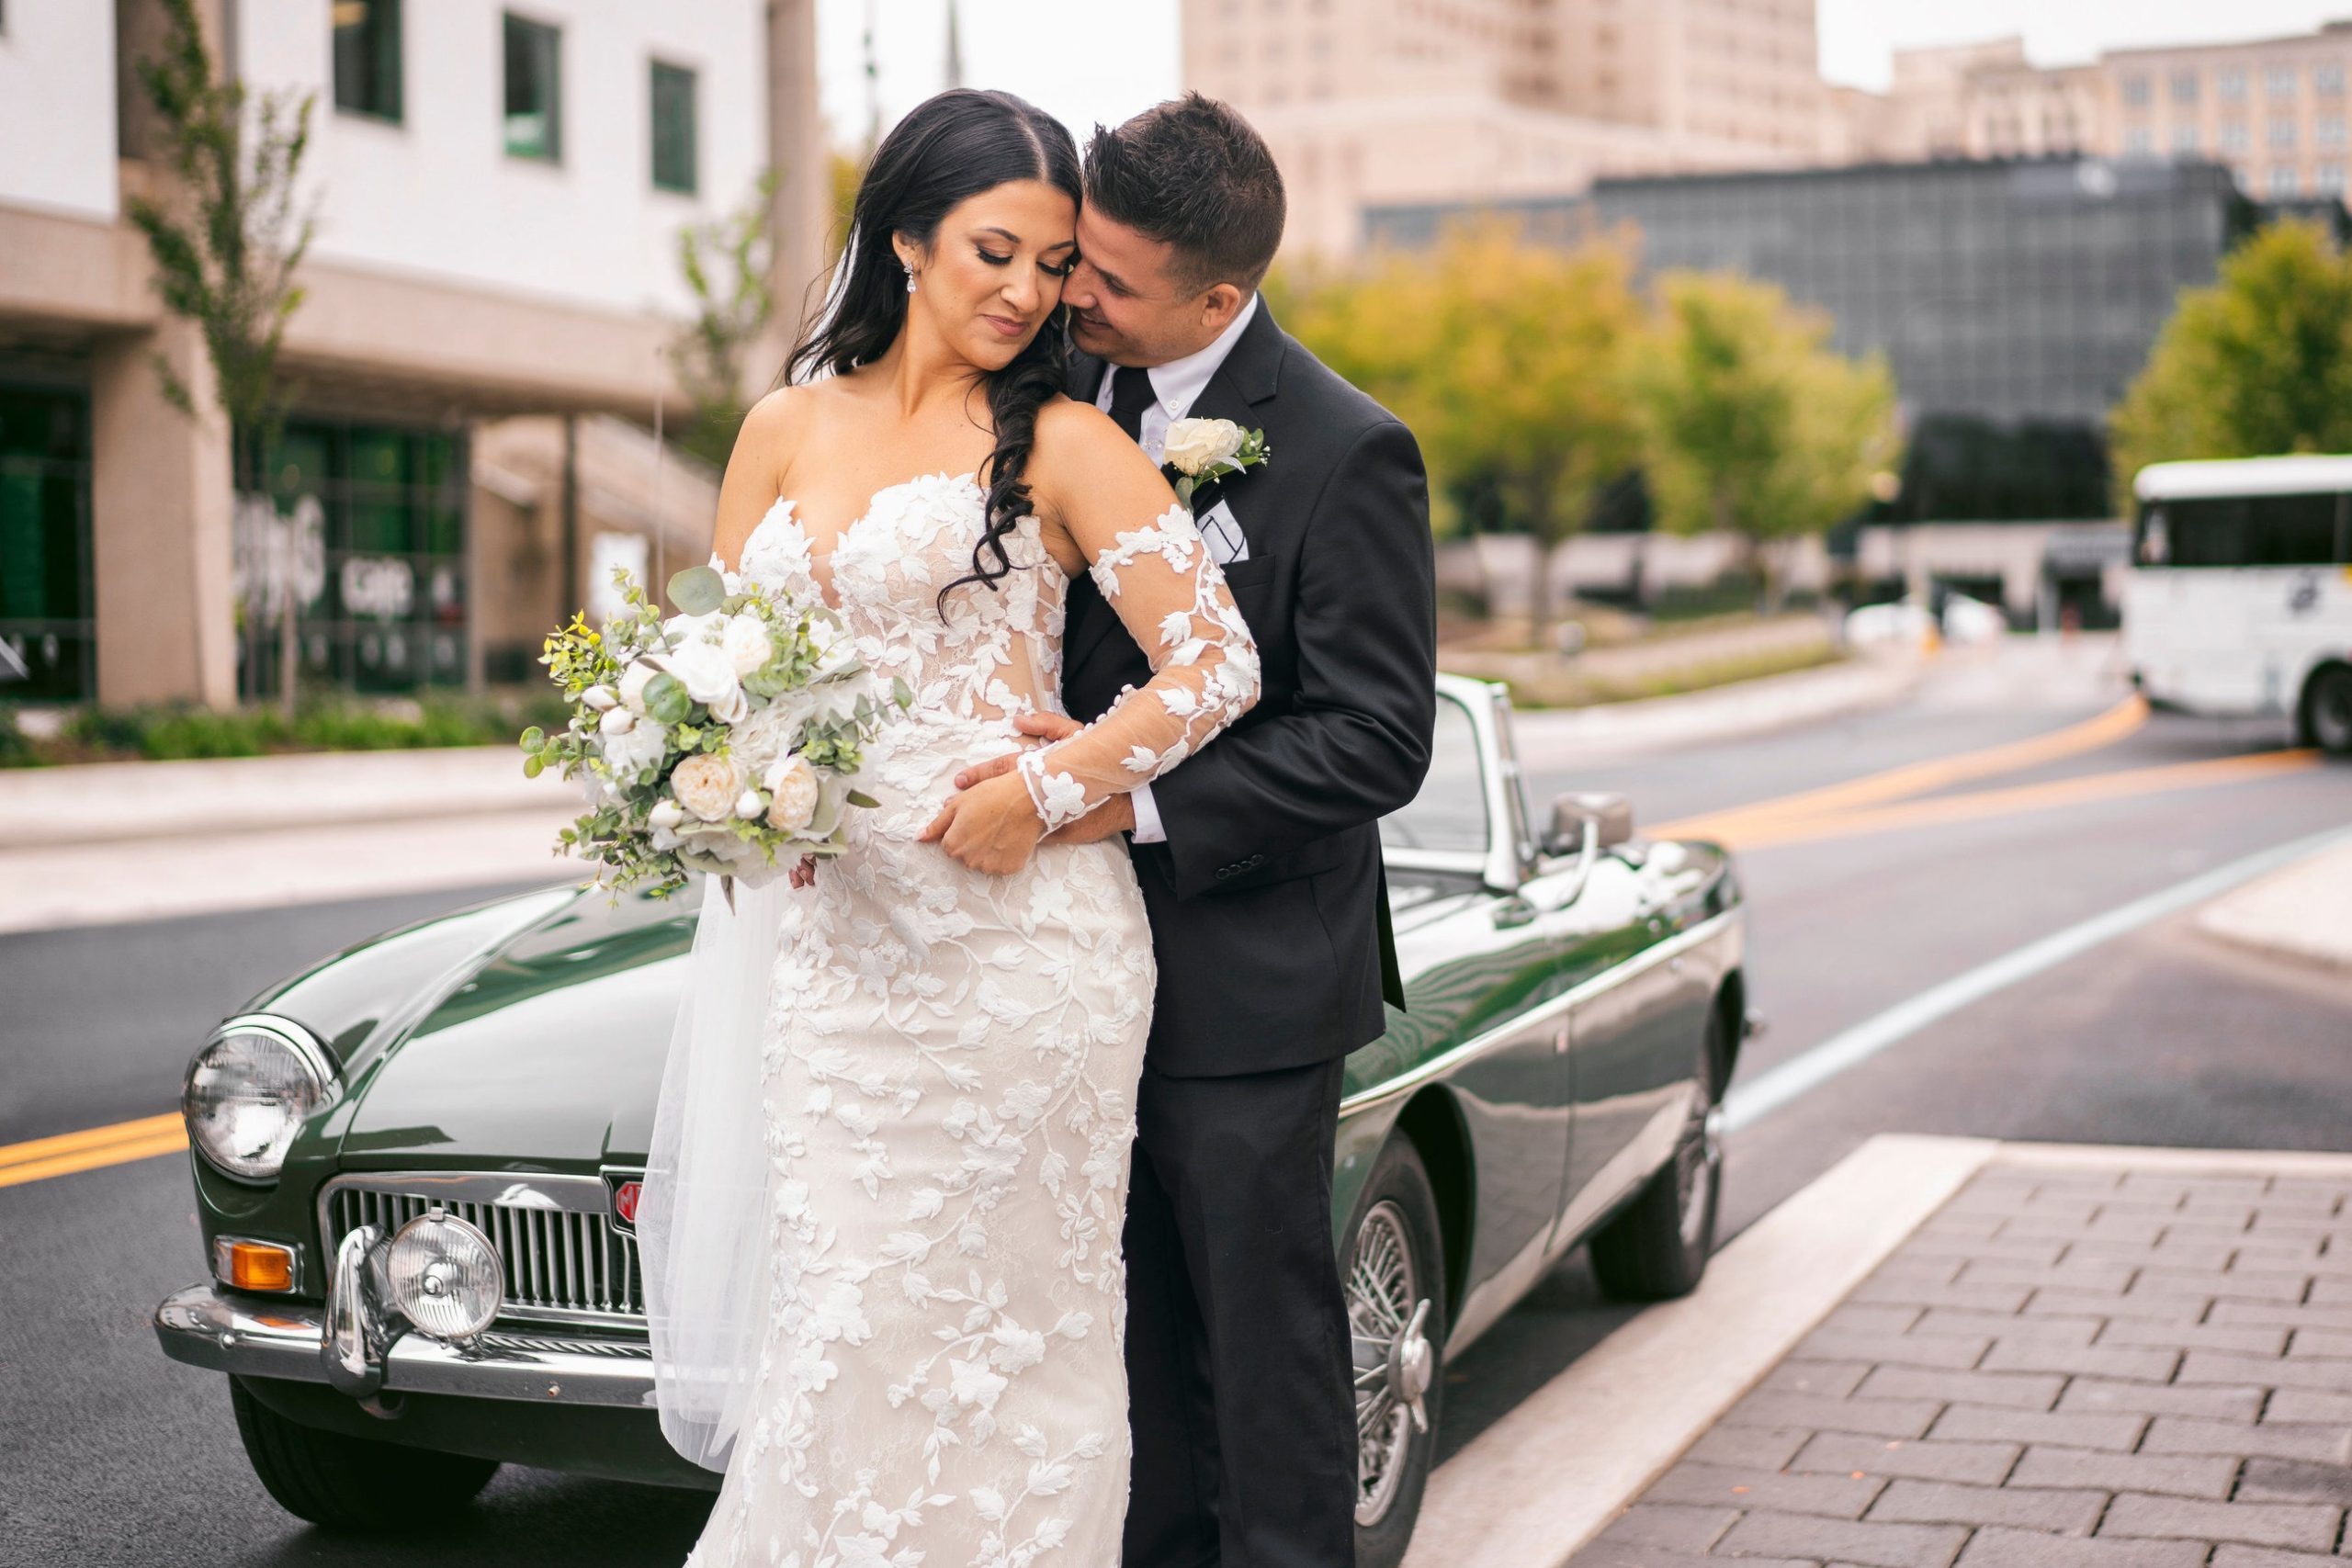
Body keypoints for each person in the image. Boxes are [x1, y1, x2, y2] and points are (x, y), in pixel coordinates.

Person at [638, 89, 1260, 1568]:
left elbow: (1219, 663)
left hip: (1020, 962)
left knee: (1008, 1345)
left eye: (1053, 265)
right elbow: (715, 665)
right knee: (843, 1325)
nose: (1025, 291)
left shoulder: (1058, 441)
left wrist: (1051, 790)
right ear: (905, 235)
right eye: (996, 249)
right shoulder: (781, 427)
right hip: (839, 967)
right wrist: (723, 794)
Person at [954, 95, 1440, 1568]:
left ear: (1219, 299)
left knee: (1260, 1340)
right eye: (1069, 261)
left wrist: (1133, 802)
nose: (1067, 297)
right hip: (1051, 959)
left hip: (1246, 982)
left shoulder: (1350, 450)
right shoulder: (1040, 399)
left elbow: (1376, 736)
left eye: (1104, 281)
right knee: (1124, 1339)